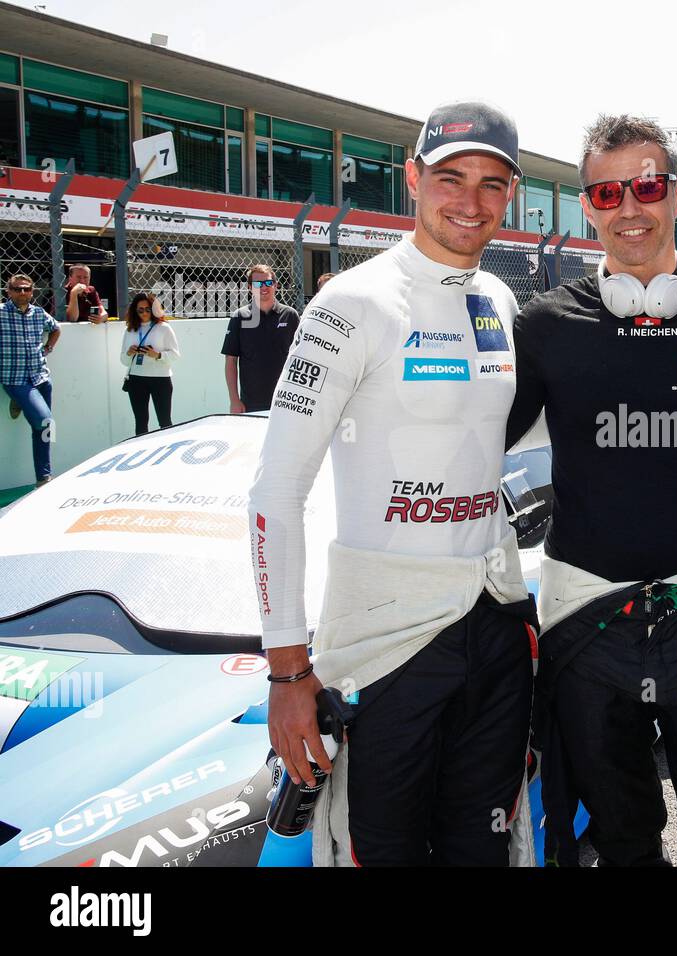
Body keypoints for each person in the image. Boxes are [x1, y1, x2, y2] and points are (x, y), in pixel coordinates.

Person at [254, 102, 536, 866]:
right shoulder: (351, 302)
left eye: (491, 184)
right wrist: (287, 669)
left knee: (487, 851)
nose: (470, 202)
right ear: (413, 179)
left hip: (495, 624)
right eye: (451, 178)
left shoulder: (501, 301)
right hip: (384, 649)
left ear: (510, 195)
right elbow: (275, 491)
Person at [506, 114, 677, 867]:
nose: (630, 207)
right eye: (607, 191)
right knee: (621, 847)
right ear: (587, 203)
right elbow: (471, 443)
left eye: (648, 185)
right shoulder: (543, 325)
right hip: (584, 623)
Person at [1, 273, 60, 486]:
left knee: (44, 428)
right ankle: (44, 476)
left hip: (41, 376)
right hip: (15, 379)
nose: (23, 292)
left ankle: (44, 477)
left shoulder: (38, 313)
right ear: (8, 291)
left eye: (27, 289)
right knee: (45, 420)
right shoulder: (1, 313)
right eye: (17, 289)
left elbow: (55, 329)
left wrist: (48, 348)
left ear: (32, 291)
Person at [221, 265, 299, 413]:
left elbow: (301, 357)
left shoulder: (290, 315)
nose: (264, 287)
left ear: (275, 285)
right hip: (251, 403)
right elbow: (230, 361)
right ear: (250, 287)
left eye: (268, 283)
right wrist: (234, 400)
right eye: (258, 284)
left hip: (287, 400)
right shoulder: (239, 317)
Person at [120, 293, 180, 435]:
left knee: (165, 421)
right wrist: (129, 353)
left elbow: (175, 355)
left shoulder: (164, 327)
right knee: (141, 421)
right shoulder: (129, 330)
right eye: (140, 310)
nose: (144, 313)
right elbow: (123, 361)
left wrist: (158, 355)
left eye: (148, 309)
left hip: (160, 378)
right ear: (135, 310)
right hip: (137, 379)